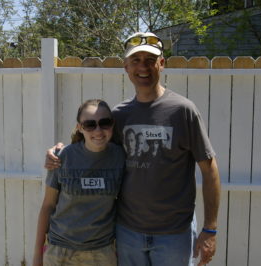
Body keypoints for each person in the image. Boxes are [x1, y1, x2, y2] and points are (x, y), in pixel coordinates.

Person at [45, 32, 221, 266]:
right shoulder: (119, 115)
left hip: (174, 234)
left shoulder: (183, 111)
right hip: (128, 232)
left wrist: (210, 230)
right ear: (126, 67)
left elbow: (210, 170)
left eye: (150, 60)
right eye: (136, 61)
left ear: (162, 63)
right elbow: (96, 146)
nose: (143, 67)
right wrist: (60, 152)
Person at [33, 99, 125, 266]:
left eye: (105, 123)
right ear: (79, 128)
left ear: (112, 125)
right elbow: (48, 205)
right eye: (90, 125)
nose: (98, 130)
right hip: (60, 252)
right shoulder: (62, 157)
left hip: (101, 253)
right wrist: (37, 255)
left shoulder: (121, 157)